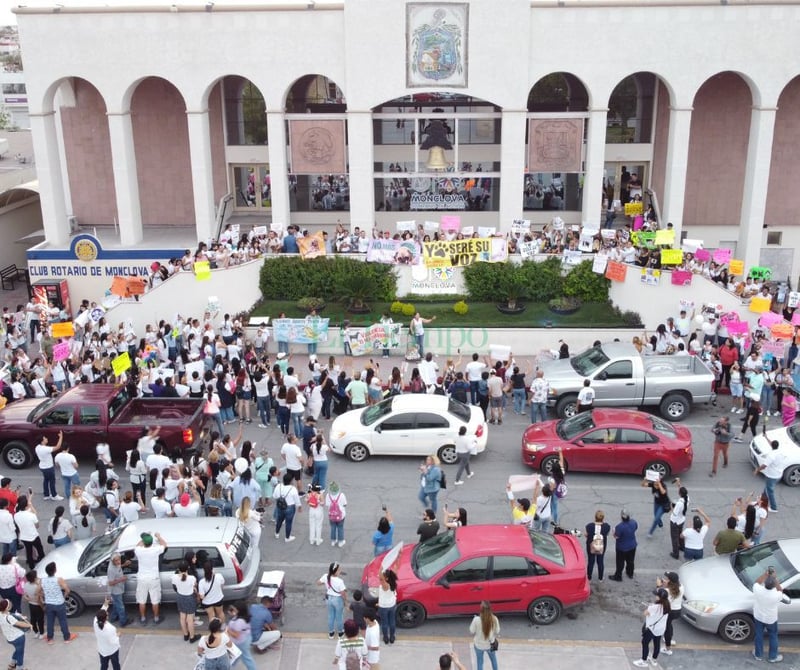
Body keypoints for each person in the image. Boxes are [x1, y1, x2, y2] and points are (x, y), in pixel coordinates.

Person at [752, 569, 789, 663]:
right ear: (774, 585)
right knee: (773, 636)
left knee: (759, 635)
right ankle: (773, 657)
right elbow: (780, 589)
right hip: (771, 619)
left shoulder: (758, 589)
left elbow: (757, 582)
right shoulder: (776, 595)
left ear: (765, 583)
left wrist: (765, 574)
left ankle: (758, 655)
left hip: (759, 616)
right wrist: (775, 579)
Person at [38, 561, 78, 644]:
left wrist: (44, 596)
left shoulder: (42, 580)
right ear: (55, 570)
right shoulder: (59, 579)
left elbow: (38, 591)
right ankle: (66, 638)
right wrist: (64, 596)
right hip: (59, 604)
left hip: (49, 604)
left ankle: (50, 639)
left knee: (50, 621)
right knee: (63, 621)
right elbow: (67, 590)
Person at [134, 531, 167, 625]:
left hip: (142, 579)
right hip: (154, 579)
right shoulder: (156, 550)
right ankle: (156, 618)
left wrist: (144, 537)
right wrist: (158, 536)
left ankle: (143, 618)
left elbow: (137, 545)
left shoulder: (139, 551)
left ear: (144, 542)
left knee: (141, 601)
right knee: (155, 601)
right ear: (152, 543)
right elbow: (164, 544)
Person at [633, 588, 670, 667]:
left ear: (659, 597)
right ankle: (654, 660)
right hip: (661, 628)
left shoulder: (654, 607)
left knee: (645, 643)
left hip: (651, 629)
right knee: (657, 644)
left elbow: (645, 613)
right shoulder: (667, 605)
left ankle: (643, 660)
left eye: (657, 595)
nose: (655, 596)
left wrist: (650, 607)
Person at [172, 561, 200, 643]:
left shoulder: (174, 577)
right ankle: (192, 637)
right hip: (189, 598)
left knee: (182, 617)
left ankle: (185, 635)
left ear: (178, 569)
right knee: (190, 619)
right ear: (188, 568)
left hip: (180, 597)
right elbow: (195, 586)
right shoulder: (192, 578)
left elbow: (175, 586)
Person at [0, 596, 31, 669]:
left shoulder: (1, 614)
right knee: (20, 653)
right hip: (18, 638)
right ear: (7, 607)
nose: (11, 604)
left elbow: (10, 614)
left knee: (17, 650)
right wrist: (29, 625)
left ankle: (12, 664)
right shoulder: (9, 617)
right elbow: (20, 624)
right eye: (10, 604)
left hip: (9, 638)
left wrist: (18, 615)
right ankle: (20, 667)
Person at [319, 562, 348, 639]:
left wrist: (326, 583)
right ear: (335, 571)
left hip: (329, 598)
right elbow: (343, 593)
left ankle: (331, 633)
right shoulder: (340, 581)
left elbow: (318, 583)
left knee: (331, 616)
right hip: (337, 600)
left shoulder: (325, 576)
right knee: (339, 616)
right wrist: (345, 602)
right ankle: (340, 633)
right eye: (339, 570)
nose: (340, 571)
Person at [657, 571, 684, 655]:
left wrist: (659, 586)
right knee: (669, 624)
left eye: (667, 579)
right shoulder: (682, 587)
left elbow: (659, 598)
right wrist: (665, 585)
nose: (665, 580)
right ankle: (668, 638)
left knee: (667, 627)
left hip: (669, 611)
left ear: (670, 581)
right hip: (677, 610)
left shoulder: (667, 591)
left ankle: (668, 648)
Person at [225, 602, 257, 670]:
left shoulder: (239, 622)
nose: (232, 610)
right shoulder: (243, 617)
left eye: (233, 609)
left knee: (245, 658)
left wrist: (227, 630)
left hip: (240, 642)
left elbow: (236, 635)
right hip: (245, 639)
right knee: (237, 656)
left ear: (239, 610)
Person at [754, 440, 784, 512]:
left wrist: (757, 470)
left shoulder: (771, 455)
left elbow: (764, 466)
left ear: (771, 446)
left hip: (772, 476)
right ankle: (762, 499)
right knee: (767, 487)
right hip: (779, 474)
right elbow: (771, 443)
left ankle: (774, 508)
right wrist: (766, 437)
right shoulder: (780, 451)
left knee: (770, 491)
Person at [469, 600, 499, 670]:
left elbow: (471, 631)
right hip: (490, 645)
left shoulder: (476, 620)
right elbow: (497, 631)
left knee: (480, 662)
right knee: (493, 660)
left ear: (481, 609)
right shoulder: (494, 619)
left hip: (479, 645)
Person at [273, 472, 302, 543]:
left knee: (279, 520)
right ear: (291, 481)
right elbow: (296, 499)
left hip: (280, 506)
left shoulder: (278, 486)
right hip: (290, 507)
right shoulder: (293, 489)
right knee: (289, 522)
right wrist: (299, 506)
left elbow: (274, 496)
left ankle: (277, 533)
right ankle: (287, 537)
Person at [609, 509, 638, 581]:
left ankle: (618, 576)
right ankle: (630, 573)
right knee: (630, 561)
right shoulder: (633, 522)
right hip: (632, 546)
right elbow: (635, 528)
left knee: (620, 562)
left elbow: (616, 536)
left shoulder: (619, 527)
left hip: (622, 548)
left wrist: (613, 532)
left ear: (622, 517)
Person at [35, 431, 64, 501]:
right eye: (45, 438)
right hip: (48, 467)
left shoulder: (37, 447)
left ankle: (46, 495)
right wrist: (61, 437)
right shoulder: (45, 449)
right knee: (52, 481)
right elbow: (58, 447)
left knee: (46, 480)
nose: (46, 438)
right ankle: (54, 495)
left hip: (42, 467)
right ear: (42, 441)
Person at [585, 510, 611, 581]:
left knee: (591, 561)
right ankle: (600, 578)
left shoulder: (589, 526)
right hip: (601, 546)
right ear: (603, 518)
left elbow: (586, 535)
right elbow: (607, 534)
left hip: (591, 546)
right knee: (600, 561)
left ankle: (589, 577)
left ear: (595, 517)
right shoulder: (607, 526)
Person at [198, 561, 226, 625]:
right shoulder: (219, 576)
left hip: (207, 602)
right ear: (212, 568)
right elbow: (222, 586)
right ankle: (223, 627)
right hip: (218, 599)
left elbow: (202, 596)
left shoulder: (202, 582)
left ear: (204, 570)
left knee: (211, 616)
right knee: (220, 613)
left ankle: (214, 630)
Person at [94, 604, 121, 670]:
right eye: (107, 614)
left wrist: (106, 604)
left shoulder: (95, 622)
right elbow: (113, 641)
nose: (107, 613)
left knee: (104, 665)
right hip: (112, 651)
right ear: (106, 618)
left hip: (102, 650)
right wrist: (118, 635)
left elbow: (101, 612)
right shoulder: (110, 629)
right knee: (116, 665)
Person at [642, 474, 670, 538]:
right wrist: (644, 480)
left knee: (656, 519)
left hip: (663, 504)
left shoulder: (663, 485)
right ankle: (660, 523)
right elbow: (643, 485)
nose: (654, 482)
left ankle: (650, 532)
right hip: (656, 503)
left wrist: (659, 484)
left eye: (656, 481)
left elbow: (663, 492)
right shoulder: (652, 484)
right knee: (655, 514)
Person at [105, 553, 129, 628]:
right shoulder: (111, 570)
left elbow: (118, 568)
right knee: (120, 606)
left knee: (116, 605)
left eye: (119, 559)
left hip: (118, 589)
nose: (118, 562)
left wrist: (124, 565)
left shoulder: (115, 564)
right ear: (112, 561)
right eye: (116, 560)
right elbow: (111, 583)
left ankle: (113, 618)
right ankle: (123, 622)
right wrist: (121, 579)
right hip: (116, 591)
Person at [668, 482, 688, 560]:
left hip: (675, 522)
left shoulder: (679, 503)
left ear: (679, 494)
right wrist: (679, 484)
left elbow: (674, 513)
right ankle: (682, 547)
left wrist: (671, 506)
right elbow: (683, 490)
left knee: (674, 538)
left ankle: (675, 553)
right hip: (681, 520)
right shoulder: (687, 499)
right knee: (680, 534)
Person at [377, 569, 397, 645]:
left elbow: (380, 577)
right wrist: (397, 559)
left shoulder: (386, 585)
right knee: (392, 622)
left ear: (386, 578)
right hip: (392, 605)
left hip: (384, 607)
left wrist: (381, 568)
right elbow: (396, 569)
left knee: (384, 623)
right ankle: (392, 637)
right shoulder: (393, 583)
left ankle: (386, 637)